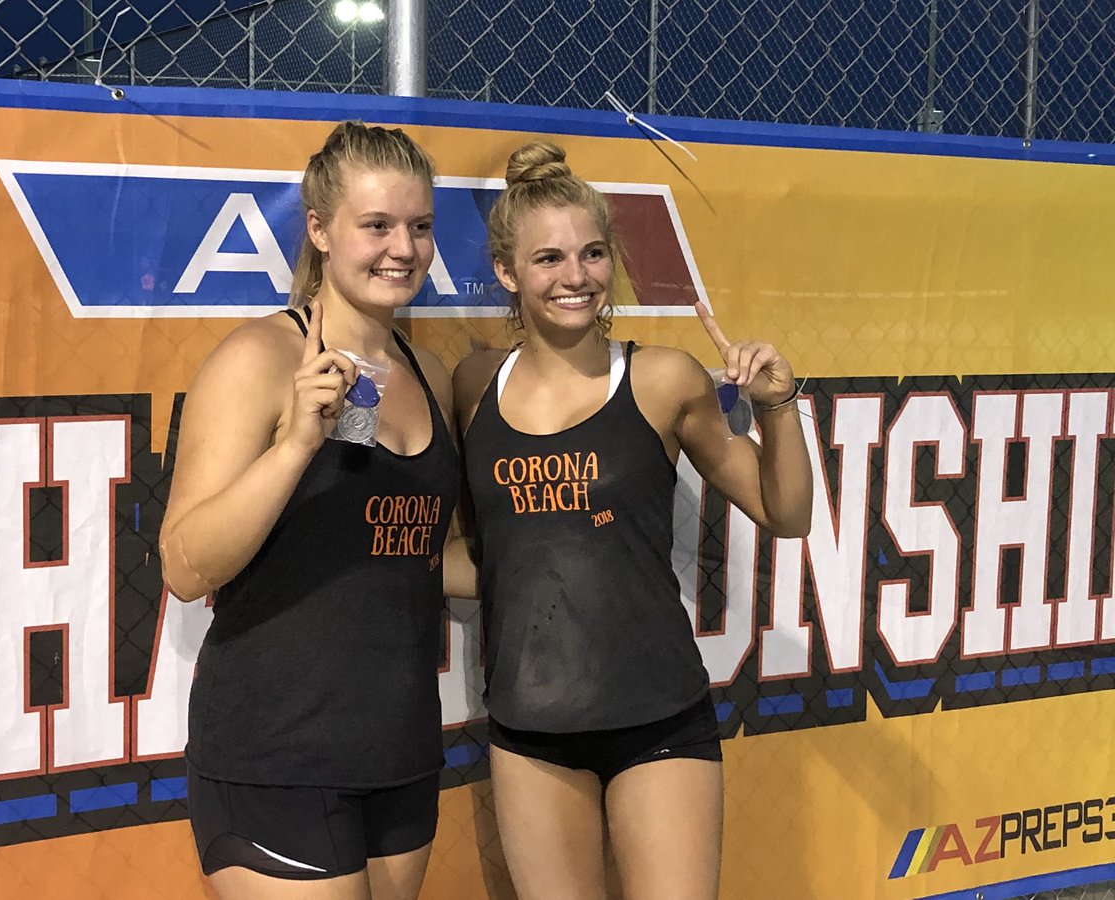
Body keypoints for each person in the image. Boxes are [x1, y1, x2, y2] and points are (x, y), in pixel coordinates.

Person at [453, 141, 814, 900]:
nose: (575, 276)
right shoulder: (474, 384)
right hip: (531, 728)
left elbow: (785, 511)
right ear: (506, 274)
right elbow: (479, 547)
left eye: (591, 253)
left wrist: (778, 405)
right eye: (547, 258)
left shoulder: (661, 379)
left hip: (658, 718)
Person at [159, 121, 466, 900]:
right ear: (322, 230)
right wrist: (295, 446)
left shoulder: (426, 369)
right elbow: (185, 566)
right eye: (377, 225)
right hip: (277, 756)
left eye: (420, 226)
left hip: (399, 751)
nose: (403, 248)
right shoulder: (257, 359)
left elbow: (423, 553)